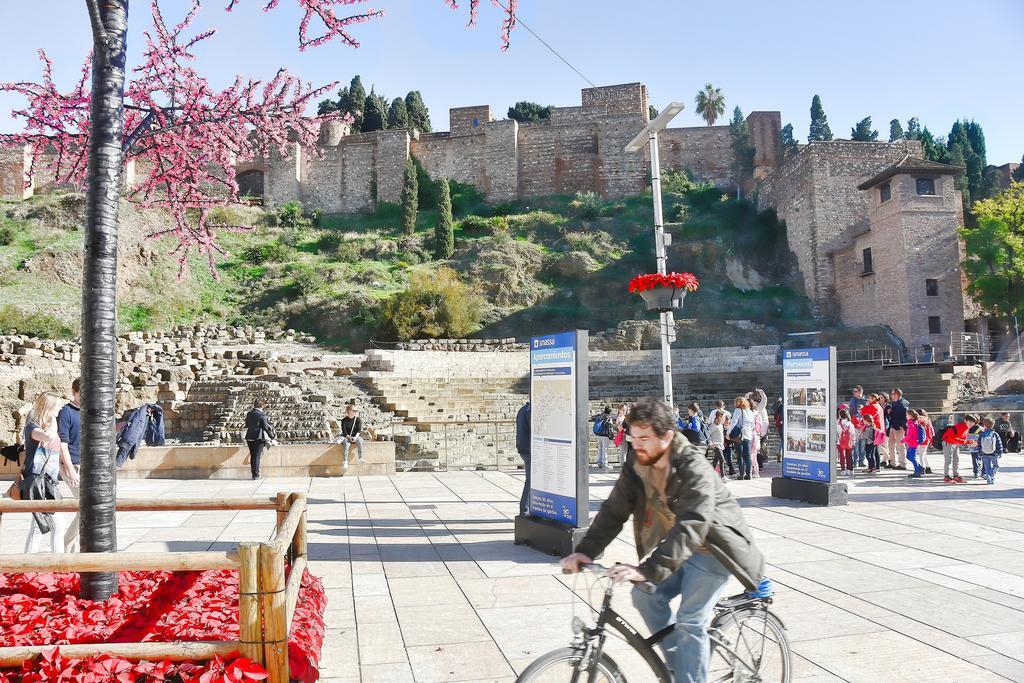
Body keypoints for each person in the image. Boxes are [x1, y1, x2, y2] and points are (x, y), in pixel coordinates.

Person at [560, 398, 765, 683]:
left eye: (644, 438)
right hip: (681, 548)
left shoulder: (694, 467)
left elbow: (692, 525)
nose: (637, 444)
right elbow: (614, 509)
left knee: (690, 620)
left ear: (667, 436)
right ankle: (681, 668)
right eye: (633, 437)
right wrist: (585, 552)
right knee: (644, 594)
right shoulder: (638, 462)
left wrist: (646, 570)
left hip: (716, 550)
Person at [23, 392, 69, 554]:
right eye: (57, 405)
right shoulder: (32, 427)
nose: (60, 408)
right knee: (43, 526)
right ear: (48, 407)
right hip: (37, 483)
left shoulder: (47, 426)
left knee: (48, 525)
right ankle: (31, 564)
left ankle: (39, 564)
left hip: (49, 483)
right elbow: (48, 438)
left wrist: (66, 471)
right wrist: (54, 419)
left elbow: (53, 456)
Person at [56, 378, 82, 551]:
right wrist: (71, 470)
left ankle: (73, 548)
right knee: (85, 507)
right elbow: (62, 444)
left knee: (86, 508)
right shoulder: (66, 412)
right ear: (74, 391)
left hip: (87, 464)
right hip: (71, 464)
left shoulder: (88, 411)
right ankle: (65, 546)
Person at [244, 399, 276, 479]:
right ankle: (256, 475)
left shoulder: (249, 413)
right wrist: (272, 436)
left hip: (249, 436)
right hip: (258, 438)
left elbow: (247, 424)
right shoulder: (262, 415)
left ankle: (253, 474)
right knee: (257, 456)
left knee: (253, 456)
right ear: (262, 406)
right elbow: (266, 427)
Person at [941, 414, 976, 483]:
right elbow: (955, 438)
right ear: (965, 421)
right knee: (948, 460)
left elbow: (963, 437)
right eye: (970, 421)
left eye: (973, 422)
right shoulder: (961, 427)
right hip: (948, 442)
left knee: (956, 459)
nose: (972, 423)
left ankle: (956, 475)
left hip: (955, 443)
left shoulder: (966, 427)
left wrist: (969, 441)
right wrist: (968, 442)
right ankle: (946, 476)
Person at [730, 397, 755, 480]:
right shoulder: (750, 412)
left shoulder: (738, 410)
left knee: (740, 456)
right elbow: (753, 425)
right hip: (748, 435)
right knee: (748, 456)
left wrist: (728, 433)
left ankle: (741, 474)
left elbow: (734, 422)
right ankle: (749, 474)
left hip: (739, 435)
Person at [887, 389, 909, 470]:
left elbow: (905, 414)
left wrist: (902, 426)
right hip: (893, 426)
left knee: (900, 445)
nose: (891, 395)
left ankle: (902, 464)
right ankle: (893, 463)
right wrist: (890, 411)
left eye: (892, 394)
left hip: (899, 427)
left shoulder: (903, 403)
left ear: (897, 394)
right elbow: (895, 414)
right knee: (891, 445)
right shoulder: (894, 403)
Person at [515, 400, 531, 516]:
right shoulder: (529, 411)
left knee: (530, 480)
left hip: (523, 447)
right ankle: (524, 510)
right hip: (529, 449)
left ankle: (527, 509)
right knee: (530, 481)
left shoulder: (523, 409)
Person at [337, 404, 364, 469]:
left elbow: (359, 430)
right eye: (354, 410)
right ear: (349, 411)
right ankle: (345, 461)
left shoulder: (358, 420)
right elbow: (344, 431)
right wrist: (349, 437)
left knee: (360, 441)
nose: (355, 412)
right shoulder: (344, 420)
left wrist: (355, 437)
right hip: (347, 436)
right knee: (346, 445)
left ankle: (360, 458)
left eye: (356, 410)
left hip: (356, 436)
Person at [978, 417, 1003, 485]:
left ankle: (989, 478)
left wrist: (980, 453)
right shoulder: (995, 434)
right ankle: (990, 475)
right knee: (996, 466)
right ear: (993, 425)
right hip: (993, 453)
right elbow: (999, 444)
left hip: (984, 453)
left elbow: (979, 444)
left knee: (987, 467)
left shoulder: (981, 434)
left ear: (984, 425)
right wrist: (1000, 452)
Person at [902, 409, 925, 478]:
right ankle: (920, 468)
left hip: (913, 443)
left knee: (912, 457)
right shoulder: (913, 422)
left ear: (911, 416)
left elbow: (909, 435)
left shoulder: (911, 424)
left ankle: (917, 472)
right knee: (908, 456)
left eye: (907, 415)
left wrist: (903, 440)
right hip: (913, 442)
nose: (906, 416)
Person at [836, 408, 856, 475]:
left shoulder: (838, 423)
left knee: (842, 456)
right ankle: (850, 469)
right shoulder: (850, 424)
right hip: (849, 442)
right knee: (849, 456)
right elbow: (853, 434)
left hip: (840, 442)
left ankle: (843, 470)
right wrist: (854, 442)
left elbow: (836, 433)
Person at [707, 411, 726, 478]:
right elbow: (708, 434)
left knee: (716, 460)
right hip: (716, 445)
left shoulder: (720, 425)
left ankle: (711, 475)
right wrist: (710, 442)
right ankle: (723, 476)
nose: (724, 418)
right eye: (723, 417)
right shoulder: (714, 425)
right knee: (722, 460)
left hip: (720, 445)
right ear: (719, 417)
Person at [594, 405, 614, 469]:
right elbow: (610, 427)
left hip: (598, 434)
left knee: (600, 448)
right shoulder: (608, 417)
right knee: (605, 449)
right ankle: (605, 464)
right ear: (610, 411)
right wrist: (611, 435)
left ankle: (599, 462)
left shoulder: (600, 415)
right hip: (605, 435)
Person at [917, 409, 935, 475]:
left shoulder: (919, 421)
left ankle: (922, 468)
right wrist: (931, 440)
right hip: (927, 439)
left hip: (921, 439)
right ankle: (928, 467)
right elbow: (932, 431)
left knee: (921, 455)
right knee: (923, 454)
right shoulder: (928, 420)